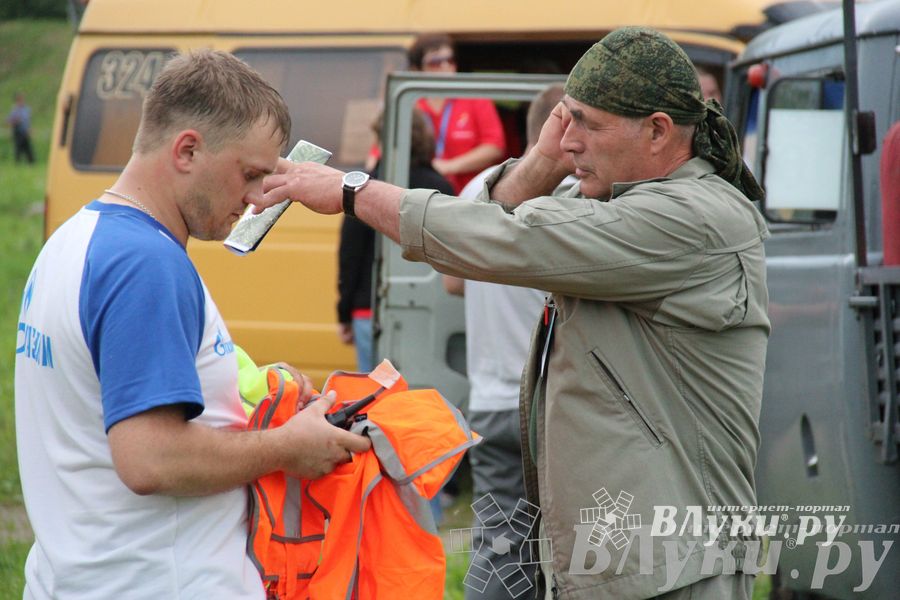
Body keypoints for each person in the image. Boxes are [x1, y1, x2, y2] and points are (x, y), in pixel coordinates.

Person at [259, 26, 770, 599]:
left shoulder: (690, 216)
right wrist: (544, 156)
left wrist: (354, 191)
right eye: (565, 119)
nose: (570, 140)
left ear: (657, 131)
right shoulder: (621, 190)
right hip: (626, 561)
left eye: (588, 125)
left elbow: (505, 238)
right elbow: (493, 224)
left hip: (675, 567)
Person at [14, 49, 370, 599]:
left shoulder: (75, 240)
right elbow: (150, 458)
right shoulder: (147, 265)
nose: (256, 199)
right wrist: (286, 446)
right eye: (250, 174)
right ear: (187, 150)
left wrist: (250, 389)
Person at [442, 83, 566, 600]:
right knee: (569, 552)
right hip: (549, 407)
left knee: (500, 553)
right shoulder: (569, 197)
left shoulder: (478, 190)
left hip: (491, 401)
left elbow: (451, 279)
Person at [338, 107, 454, 372]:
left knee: (372, 401)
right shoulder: (441, 188)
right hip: (427, 309)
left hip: (368, 308)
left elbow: (350, 254)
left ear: (381, 139)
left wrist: (344, 312)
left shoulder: (364, 188)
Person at [405, 33, 506, 193]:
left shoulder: (475, 97)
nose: (446, 66)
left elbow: (494, 146)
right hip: (418, 195)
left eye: (450, 60)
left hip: (469, 196)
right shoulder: (408, 102)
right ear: (418, 69)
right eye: (435, 62)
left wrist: (450, 166)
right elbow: (381, 152)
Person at [7, 92, 35, 164]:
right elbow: (9, 120)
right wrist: (15, 121)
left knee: (28, 148)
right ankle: (17, 162)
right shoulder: (15, 110)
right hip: (18, 131)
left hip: (25, 131)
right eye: (20, 100)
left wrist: (29, 129)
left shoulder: (26, 109)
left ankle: (31, 162)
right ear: (17, 101)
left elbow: (28, 121)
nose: (22, 101)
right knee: (18, 148)